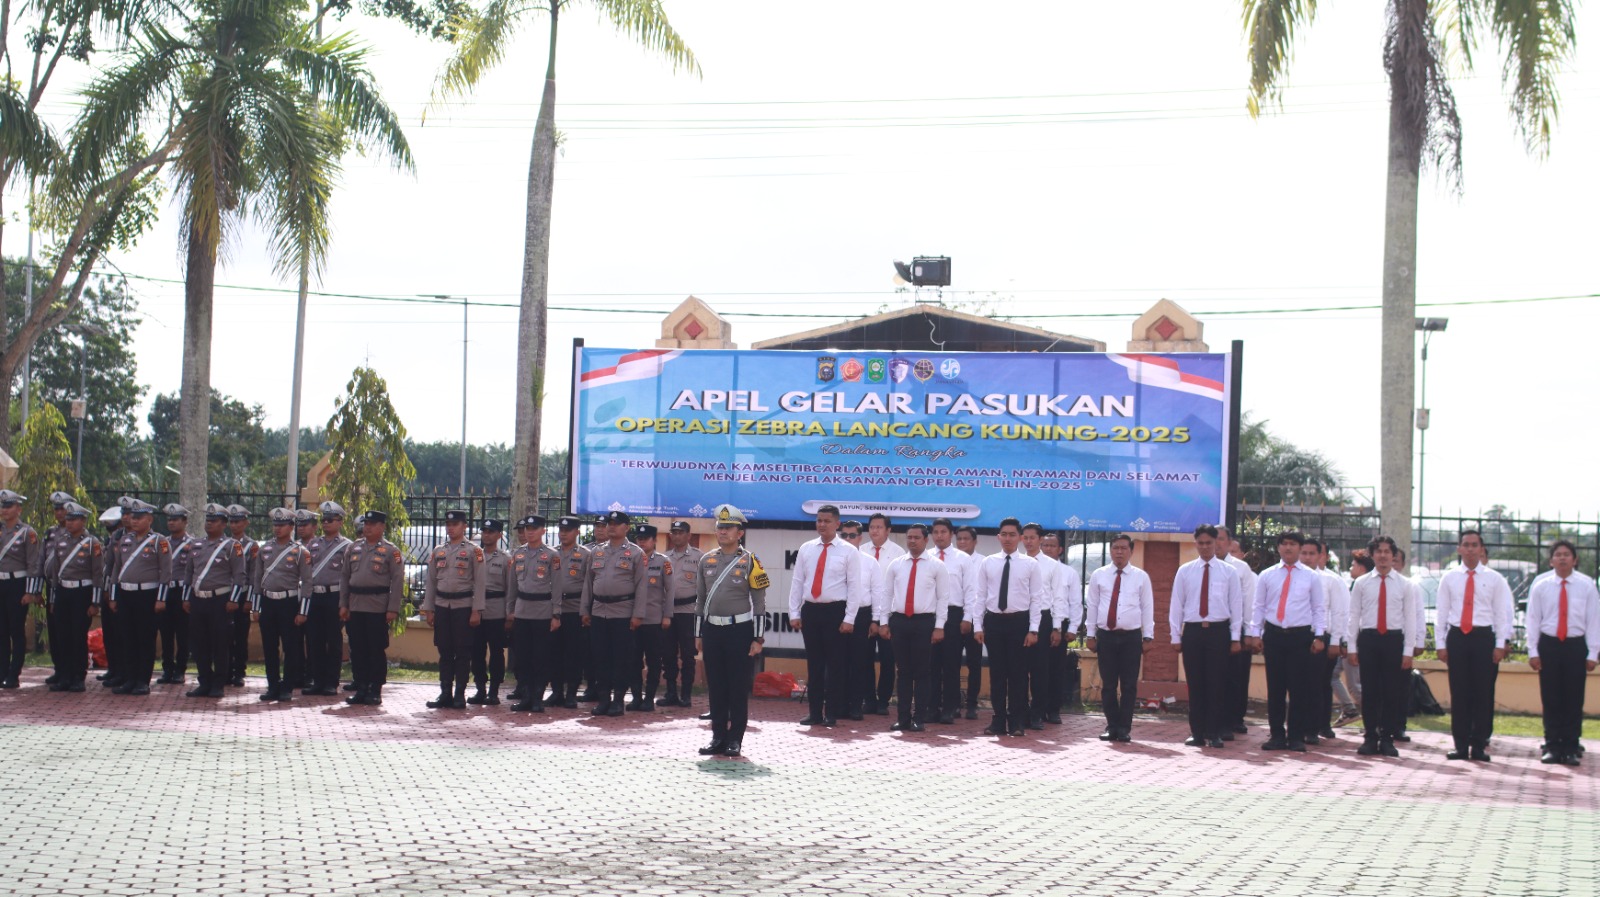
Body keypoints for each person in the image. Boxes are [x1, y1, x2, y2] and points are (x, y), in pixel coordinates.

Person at [695, 503, 769, 757]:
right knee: (716, 686)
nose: (723, 531)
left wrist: (758, 638)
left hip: (740, 631)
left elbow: (759, 602)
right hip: (712, 631)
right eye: (720, 527)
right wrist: (698, 634)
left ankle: (735, 739)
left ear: (740, 533)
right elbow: (700, 600)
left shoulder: (750, 561)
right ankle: (717, 736)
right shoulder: (706, 560)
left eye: (729, 528)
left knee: (737, 687)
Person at [1435, 530, 1514, 761]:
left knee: (1483, 693)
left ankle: (1479, 745)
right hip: (1458, 637)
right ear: (1459, 549)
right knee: (1459, 693)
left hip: (1483, 638)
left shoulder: (1495, 579)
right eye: (1466, 545)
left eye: (1474, 545)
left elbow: (1502, 614)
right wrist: (1440, 643)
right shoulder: (1449, 578)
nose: (1470, 549)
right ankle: (1460, 745)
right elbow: (1441, 613)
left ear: (1481, 549)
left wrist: (1500, 644)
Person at [1246, 531, 1327, 752]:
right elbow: (1259, 606)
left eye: (1293, 544)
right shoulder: (1267, 575)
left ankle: (1296, 736)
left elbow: (1318, 607)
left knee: (1298, 688)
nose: (1288, 548)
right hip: (1274, 635)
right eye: (1284, 544)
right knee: (1276, 688)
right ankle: (1276, 735)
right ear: (1279, 547)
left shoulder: (1311, 576)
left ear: (1300, 548)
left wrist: (1319, 635)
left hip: (1300, 636)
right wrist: (1256, 633)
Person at [786, 504, 863, 727]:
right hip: (811, 610)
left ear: (837, 524)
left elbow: (854, 587)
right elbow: (798, 582)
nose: (822, 524)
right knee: (815, 665)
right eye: (819, 520)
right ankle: (814, 713)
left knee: (835, 665)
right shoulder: (806, 548)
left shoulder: (849, 551)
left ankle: (831, 712)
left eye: (827, 521)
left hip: (835, 611)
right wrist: (794, 612)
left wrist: (849, 618)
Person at [1169, 524, 1243, 748]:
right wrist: (1175, 636)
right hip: (1192, 631)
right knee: (1196, 683)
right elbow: (1176, 604)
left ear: (1217, 543)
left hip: (1218, 631)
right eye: (1200, 543)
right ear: (1196, 544)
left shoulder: (1229, 572)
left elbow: (1236, 605)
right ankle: (1197, 732)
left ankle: (1215, 731)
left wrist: (1235, 637)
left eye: (1209, 543)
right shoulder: (1185, 570)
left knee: (1216, 683)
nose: (1205, 547)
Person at [1345, 535, 1417, 758]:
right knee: (1371, 691)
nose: (1383, 556)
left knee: (1391, 692)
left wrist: (1408, 651)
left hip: (1394, 641)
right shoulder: (1362, 583)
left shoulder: (1405, 585)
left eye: (1388, 552)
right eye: (1379, 551)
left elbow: (1410, 619)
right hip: (1369, 639)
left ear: (1393, 555)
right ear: (1372, 555)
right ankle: (1370, 737)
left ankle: (1387, 738)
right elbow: (1353, 615)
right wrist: (1352, 647)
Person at [876, 523, 952, 732]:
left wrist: (939, 626)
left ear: (926, 540)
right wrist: (883, 622)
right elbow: (886, 594)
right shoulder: (897, 564)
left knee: (922, 672)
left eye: (916, 538)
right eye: (909, 537)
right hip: (900, 621)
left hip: (924, 622)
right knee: (903, 671)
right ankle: (903, 717)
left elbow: (943, 598)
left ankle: (919, 717)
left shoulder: (937, 565)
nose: (912, 541)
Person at [972, 518, 1045, 737]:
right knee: (997, 674)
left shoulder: (1030, 564)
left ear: (1020, 538)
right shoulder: (988, 562)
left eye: (1012, 534)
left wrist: (1033, 630)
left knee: (1018, 675)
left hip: (1019, 623)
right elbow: (980, 596)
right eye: (1004, 534)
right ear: (998, 537)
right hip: (994, 622)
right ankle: (998, 720)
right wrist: (978, 625)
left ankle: (1016, 721)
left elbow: (1036, 599)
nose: (1007, 539)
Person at [1527, 540, 1597, 766]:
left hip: (1575, 645)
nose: (1563, 558)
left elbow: (1594, 619)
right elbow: (1533, 620)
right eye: (1558, 554)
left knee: (1574, 697)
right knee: (1551, 696)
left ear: (1575, 559)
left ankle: (1570, 745)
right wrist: (1533, 651)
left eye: (1567, 554)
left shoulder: (1587, 585)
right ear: (1551, 560)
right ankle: (1552, 745)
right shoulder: (1541, 586)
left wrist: (1592, 652)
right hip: (1550, 645)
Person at [1087, 535, 1155, 743]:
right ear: (1110, 551)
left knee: (1128, 685)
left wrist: (1148, 636)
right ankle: (1111, 725)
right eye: (1115, 548)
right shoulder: (1099, 575)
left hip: (1131, 638)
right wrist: (1090, 634)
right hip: (1106, 636)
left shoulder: (1141, 577)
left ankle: (1124, 727)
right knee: (1108, 685)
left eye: (1123, 548)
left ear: (1131, 551)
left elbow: (1147, 607)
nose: (1119, 552)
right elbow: (1092, 605)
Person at [582, 510, 647, 716]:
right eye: (609, 523)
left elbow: (642, 586)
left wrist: (638, 615)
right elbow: (588, 584)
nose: (610, 526)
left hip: (623, 612)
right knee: (600, 657)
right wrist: (585, 609)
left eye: (616, 523)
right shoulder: (597, 551)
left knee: (621, 658)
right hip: (599, 611)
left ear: (626, 528)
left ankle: (618, 699)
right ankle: (603, 699)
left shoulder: (636, 553)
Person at [104, 499, 172, 695]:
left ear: (149, 519)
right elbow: (116, 570)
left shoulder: (159, 541)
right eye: (132, 517)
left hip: (147, 595)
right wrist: (114, 597)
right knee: (127, 638)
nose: (134, 521)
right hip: (125, 594)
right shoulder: (124, 540)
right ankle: (130, 678)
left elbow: (165, 573)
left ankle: (143, 680)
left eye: (139, 517)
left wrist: (161, 599)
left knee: (145, 638)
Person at [421, 509, 486, 710]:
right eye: (448, 524)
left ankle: (459, 694)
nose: (451, 528)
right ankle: (445, 693)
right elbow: (431, 582)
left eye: (455, 524)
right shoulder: (438, 551)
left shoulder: (475, 551)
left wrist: (477, 610)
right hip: (442, 606)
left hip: (463, 607)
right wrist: (428, 609)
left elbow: (481, 583)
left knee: (463, 652)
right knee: (445, 651)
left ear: (464, 526)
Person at [339, 511, 405, 706]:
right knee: (358, 649)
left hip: (377, 605)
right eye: (366, 523)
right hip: (356, 604)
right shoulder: (353, 547)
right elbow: (344, 577)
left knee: (375, 649)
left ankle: (375, 689)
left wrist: (393, 608)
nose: (367, 527)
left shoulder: (390, 551)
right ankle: (361, 687)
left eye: (373, 524)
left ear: (382, 527)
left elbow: (398, 581)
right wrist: (343, 603)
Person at [182, 504, 247, 698]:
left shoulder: (231, 546)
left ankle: (218, 683)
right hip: (198, 600)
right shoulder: (196, 544)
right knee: (199, 643)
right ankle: (204, 681)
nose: (209, 524)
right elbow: (188, 574)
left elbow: (239, 575)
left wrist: (234, 600)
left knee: (220, 643)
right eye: (207, 520)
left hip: (220, 600)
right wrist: (186, 598)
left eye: (214, 521)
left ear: (224, 524)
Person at [250, 508, 312, 702]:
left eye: (282, 525)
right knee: (269, 647)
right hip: (268, 602)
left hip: (288, 602)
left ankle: (287, 687)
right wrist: (256, 607)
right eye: (275, 525)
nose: (277, 529)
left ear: (291, 527)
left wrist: (303, 611)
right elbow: (257, 579)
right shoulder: (265, 548)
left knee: (290, 647)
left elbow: (308, 582)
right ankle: (273, 686)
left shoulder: (300, 551)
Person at [44, 502, 103, 692]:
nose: (69, 523)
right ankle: (65, 675)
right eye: (68, 519)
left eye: (74, 519)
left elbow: (97, 574)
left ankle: (79, 676)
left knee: (78, 636)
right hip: (63, 592)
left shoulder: (92, 543)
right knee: (63, 635)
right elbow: (54, 573)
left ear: (83, 521)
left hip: (82, 592)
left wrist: (95, 602)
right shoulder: (60, 541)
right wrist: (53, 599)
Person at [508, 515, 562, 712]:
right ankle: (526, 697)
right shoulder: (518, 553)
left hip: (542, 611)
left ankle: (538, 698)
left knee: (540, 657)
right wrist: (510, 610)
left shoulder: (551, 555)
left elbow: (557, 587)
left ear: (543, 531)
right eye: (527, 528)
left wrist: (556, 614)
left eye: (534, 528)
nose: (529, 531)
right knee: (523, 657)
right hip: (522, 610)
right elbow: (512, 584)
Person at [927, 518, 978, 725]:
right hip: (929, 616)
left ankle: (950, 708)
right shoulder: (926, 556)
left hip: (954, 615)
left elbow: (971, 590)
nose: (939, 536)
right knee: (930, 665)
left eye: (943, 532)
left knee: (951, 664)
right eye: (936, 532)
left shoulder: (962, 559)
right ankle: (931, 708)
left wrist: (967, 617)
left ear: (951, 534)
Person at [301, 502, 350, 696]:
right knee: (315, 640)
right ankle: (317, 680)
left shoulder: (347, 546)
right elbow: (306, 573)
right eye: (324, 520)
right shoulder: (313, 544)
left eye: (331, 520)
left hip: (334, 595)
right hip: (315, 595)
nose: (326, 523)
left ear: (340, 522)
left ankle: (331, 681)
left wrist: (345, 602)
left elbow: (347, 575)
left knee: (333, 640)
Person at [837, 519, 884, 720]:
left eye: (852, 535)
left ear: (860, 537)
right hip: (838, 613)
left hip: (862, 615)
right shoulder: (834, 558)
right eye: (844, 535)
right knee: (838, 661)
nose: (848, 539)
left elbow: (877, 592)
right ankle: (838, 705)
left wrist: (875, 620)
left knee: (859, 662)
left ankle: (856, 706)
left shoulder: (869, 561)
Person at [1022, 523, 1067, 729]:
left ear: (1040, 540)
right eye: (1026, 537)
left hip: (1043, 619)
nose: (1029, 541)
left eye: (1033, 538)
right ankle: (1019, 711)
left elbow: (1059, 597)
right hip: (1019, 618)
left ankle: (1037, 713)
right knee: (1018, 668)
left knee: (1040, 670)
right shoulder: (1016, 561)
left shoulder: (1052, 565)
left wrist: (1056, 627)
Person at [1302, 537, 1346, 743]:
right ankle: (1300, 725)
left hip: (1322, 636)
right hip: (1297, 635)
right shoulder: (1292, 577)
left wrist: (1337, 640)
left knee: (1320, 684)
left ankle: (1319, 725)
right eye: (1304, 553)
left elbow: (1339, 612)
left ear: (1321, 556)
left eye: (1312, 553)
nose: (1307, 557)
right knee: (1300, 683)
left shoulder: (1331, 580)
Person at [627, 524, 674, 711]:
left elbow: (670, 591)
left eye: (646, 539)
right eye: (639, 539)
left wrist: (667, 616)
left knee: (654, 661)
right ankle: (636, 697)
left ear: (654, 540)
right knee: (633, 661)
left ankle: (649, 699)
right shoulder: (630, 559)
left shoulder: (663, 561)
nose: (642, 542)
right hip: (632, 620)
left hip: (654, 619)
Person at [1216, 526, 1258, 740]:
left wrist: (1250, 632)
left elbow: (1250, 602)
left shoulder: (1241, 569)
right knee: (1214, 677)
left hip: (1237, 629)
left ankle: (1234, 719)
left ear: (1228, 541)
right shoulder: (1198, 567)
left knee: (1236, 677)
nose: (1217, 543)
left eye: (1221, 539)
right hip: (1213, 629)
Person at [862, 514, 905, 716]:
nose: (874, 531)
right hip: (866, 614)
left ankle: (883, 701)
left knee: (888, 659)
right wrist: (872, 618)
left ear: (888, 531)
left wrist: (883, 619)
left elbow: (898, 587)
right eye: (872, 527)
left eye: (879, 527)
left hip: (890, 614)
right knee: (865, 659)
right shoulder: (860, 552)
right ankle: (868, 699)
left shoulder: (898, 553)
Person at [0, 489, 43, 689]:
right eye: (2, 506)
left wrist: (31, 592)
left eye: (8, 506)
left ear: (18, 508)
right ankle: (2, 671)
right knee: (1, 630)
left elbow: (33, 564)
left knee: (16, 630)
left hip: (18, 585)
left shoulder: (28, 532)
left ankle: (14, 673)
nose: (4, 510)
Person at [468, 518, 512, 706]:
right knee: (476, 652)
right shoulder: (472, 555)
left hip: (496, 609)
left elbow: (510, 588)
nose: (486, 534)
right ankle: (480, 689)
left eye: (491, 531)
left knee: (496, 652)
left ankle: (494, 691)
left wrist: (509, 614)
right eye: (484, 531)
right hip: (476, 610)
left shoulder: (505, 559)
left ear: (499, 535)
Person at [1041, 533, 1084, 715]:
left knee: (1055, 668)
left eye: (1052, 546)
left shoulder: (1069, 573)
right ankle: (1037, 708)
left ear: (1060, 550)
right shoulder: (1034, 568)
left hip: (1061, 624)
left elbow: (1075, 602)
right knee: (1037, 668)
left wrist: (1073, 628)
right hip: (1038, 622)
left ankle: (1053, 709)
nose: (1047, 549)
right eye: (1044, 545)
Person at [662, 520, 703, 708]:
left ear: (688, 535)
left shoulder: (699, 557)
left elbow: (705, 588)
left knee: (688, 654)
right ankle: (671, 692)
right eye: (674, 532)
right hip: (668, 612)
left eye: (681, 533)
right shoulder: (664, 557)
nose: (677, 536)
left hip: (689, 612)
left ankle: (686, 694)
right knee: (668, 654)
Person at [159, 503, 199, 686]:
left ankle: (180, 670)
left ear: (185, 521)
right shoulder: (162, 542)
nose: (172, 523)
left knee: (183, 633)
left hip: (183, 591)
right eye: (169, 519)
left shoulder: (193, 544)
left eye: (175, 519)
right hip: (165, 590)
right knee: (165, 632)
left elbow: (194, 571)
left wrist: (188, 596)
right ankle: (167, 668)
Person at [554, 516, 591, 707]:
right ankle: (557, 692)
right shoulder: (551, 554)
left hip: (575, 609)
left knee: (574, 654)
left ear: (577, 531)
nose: (563, 533)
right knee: (554, 653)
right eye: (561, 529)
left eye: (567, 530)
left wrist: (585, 611)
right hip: (555, 610)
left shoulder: (585, 555)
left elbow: (588, 585)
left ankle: (571, 693)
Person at [40, 492, 73, 685]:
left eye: (63, 509)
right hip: (51, 587)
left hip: (67, 586)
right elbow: (41, 560)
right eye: (56, 509)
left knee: (67, 632)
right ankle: (59, 669)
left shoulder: (75, 534)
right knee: (54, 630)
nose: (59, 513)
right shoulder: (50, 533)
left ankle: (71, 672)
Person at [224, 505, 259, 687]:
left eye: (238, 521)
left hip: (242, 594)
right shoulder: (224, 543)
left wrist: (249, 599)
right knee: (224, 636)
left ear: (246, 522)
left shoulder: (251, 546)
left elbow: (253, 574)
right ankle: (225, 670)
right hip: (225, 594)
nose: (234, 525)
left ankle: (239, 672)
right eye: (231, 521)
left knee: (240, 635)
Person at [953, 524, 984, 719]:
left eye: (966, 539)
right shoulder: (952, 560)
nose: (962, 542)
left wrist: (974, 619)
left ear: (975, 541)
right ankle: (954, 702)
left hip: (977, 619)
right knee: (952, 662)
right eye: (960, 539)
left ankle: (972, 704)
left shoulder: (984, 562)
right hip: (955, 618)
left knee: (975, 662)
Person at [291, 508, 319, 689]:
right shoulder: (292, 546)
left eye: (305, 524)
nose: (301, 528)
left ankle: (312, 674)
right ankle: (298, 673)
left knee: (313, 637)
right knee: (295, 637)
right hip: (295, 596)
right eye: (298, 525)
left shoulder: (320, 546)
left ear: (314, 527)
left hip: (314, 595)